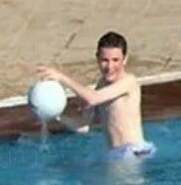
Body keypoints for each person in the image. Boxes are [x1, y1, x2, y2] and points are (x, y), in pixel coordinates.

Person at [38, 31, 156, 163]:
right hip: (117, 154)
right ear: (97, 59)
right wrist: (55, 114)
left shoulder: (129, 82)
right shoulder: (100, 87)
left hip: (135, 152)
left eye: (115, 60)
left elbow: (93, 99)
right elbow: (83, 127)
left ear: (125, 59)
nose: (110, 66)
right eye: (105, 60)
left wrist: (61, 77)